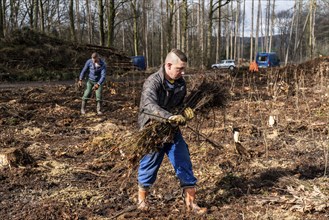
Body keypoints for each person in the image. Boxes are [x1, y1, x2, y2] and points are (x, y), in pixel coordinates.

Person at [137, 49, 207, 214]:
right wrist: (168, 117)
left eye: (183, 69)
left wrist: (186, 112)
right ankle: (142, 201)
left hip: (172, 129)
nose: (182, 72)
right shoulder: (152, 82)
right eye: (179, 69)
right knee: (150, 163)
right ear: (168, 65)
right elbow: (149, 106)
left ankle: (191, 203)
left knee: (182, 158)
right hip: (152, 128)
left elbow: (179, 105)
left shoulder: (180, 83)